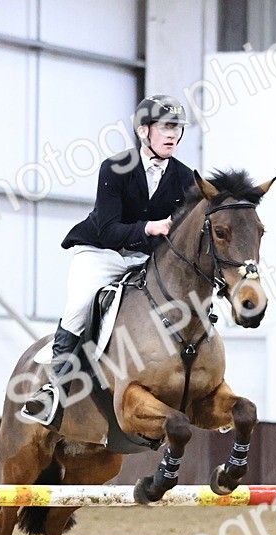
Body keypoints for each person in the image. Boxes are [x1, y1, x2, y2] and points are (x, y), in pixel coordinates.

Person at [21, 94, 197, 427]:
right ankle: (52, 391)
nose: (173, 134)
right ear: (145, 130)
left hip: (146, 259)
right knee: (80, 304)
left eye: (177, 128)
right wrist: (150, 227)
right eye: (166, 127)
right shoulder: (116, 168)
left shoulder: (186, 177)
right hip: (101, 252)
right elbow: (108, 228)